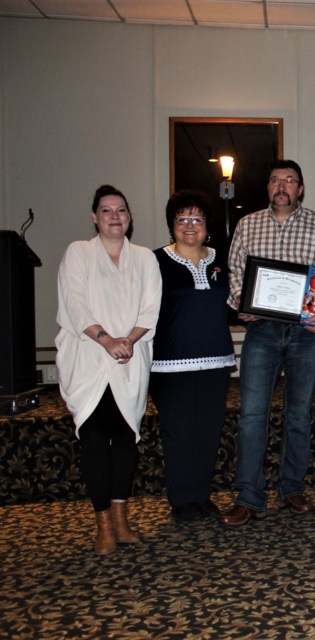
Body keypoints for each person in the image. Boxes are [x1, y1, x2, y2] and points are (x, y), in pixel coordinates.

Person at [220, 160, 315, 526]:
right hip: (262, 330)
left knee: (299, 413)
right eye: (275, 180)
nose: (282, 186)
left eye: (289, 181)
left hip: (306, 332)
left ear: (300, 189)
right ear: (268, 187)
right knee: (252, 414)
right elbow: (236, 275)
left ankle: (292, 488)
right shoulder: (248, 224)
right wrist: (244, 305)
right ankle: (249, 496)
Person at [55, 185, 162, 554]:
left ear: (129, 217)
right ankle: (101, 524)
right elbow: (75, 304)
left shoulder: (146, 258)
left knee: (126, 443)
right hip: (89, 360)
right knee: (95, 443)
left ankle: (121, 518)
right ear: (94, 217)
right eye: (106, 211)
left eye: (121, 210)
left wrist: (128, 341)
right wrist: (106, 340)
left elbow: (151, 309)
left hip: (130, 362)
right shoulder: (78, 253)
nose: (114, 217)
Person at [150, 190, 236, 523]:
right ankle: (182, 499)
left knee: (208, 431)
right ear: (171, 224)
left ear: (206, 225)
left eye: (196, 219)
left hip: (216, 360)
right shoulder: (155, 261)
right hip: (171, 363)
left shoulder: (221, 259)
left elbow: (238, 298)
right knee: (178, 432)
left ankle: (201, 495)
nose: (190, 225)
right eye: (182, 219)